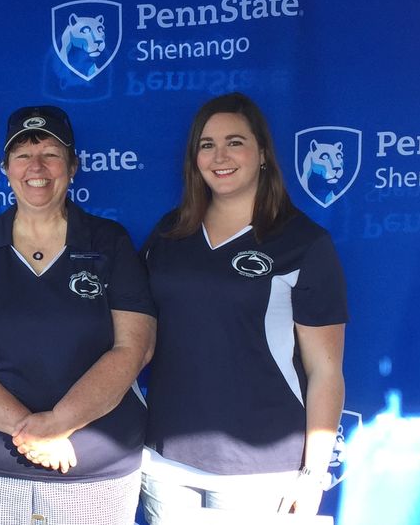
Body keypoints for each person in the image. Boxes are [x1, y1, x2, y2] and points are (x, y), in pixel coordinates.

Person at [0, 105, 157, 525]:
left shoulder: (110, 243)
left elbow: (134, 348)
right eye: (22, 155)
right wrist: (33, 430)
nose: (37, 167)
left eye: (51, 153)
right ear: (6, 168)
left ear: (73, 166)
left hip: (92, 471)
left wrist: (60, 424)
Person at [138, 92, 347, 522]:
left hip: (261, 468)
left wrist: (313, 474)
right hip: (165, 458)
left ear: (264, 154)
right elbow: (135, 337)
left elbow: (326, 371)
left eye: (235, 142)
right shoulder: (169, 234)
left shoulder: (303, 243)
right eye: (206, 144)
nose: (220, 156)